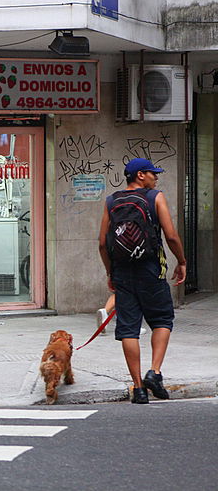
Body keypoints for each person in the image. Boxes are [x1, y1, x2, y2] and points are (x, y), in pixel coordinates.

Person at [98, 158, 186, 404]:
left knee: (128, 328)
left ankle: (138, 389)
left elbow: (103, 243)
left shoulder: (111, 201)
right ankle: (154, 372)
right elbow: (171, 235)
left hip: (123, 272)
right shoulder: (154, 197)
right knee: (162, 319)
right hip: (151, 269)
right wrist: (182, 261)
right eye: (152, 173)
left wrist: (110, 273)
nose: (156, 178)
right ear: (140, 176)